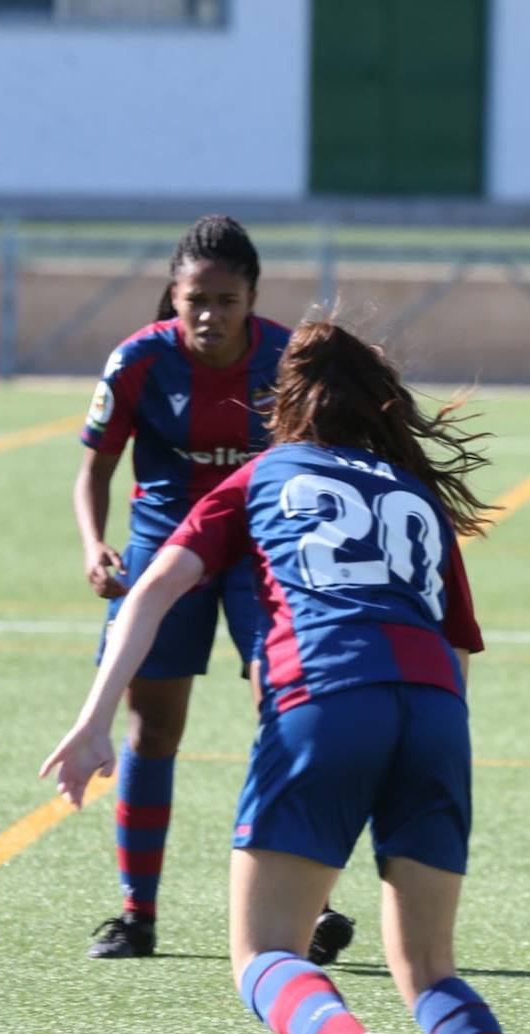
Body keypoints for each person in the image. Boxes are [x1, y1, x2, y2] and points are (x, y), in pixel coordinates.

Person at [43, 319, 530, 1034]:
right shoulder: (414, 494)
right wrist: (434, 752)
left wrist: (94, 722)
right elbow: (459, 646)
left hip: (325, 696)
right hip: (436, 713)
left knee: (263, 954)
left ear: (283, 402)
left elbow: (154, 588)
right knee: (431, 965)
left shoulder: (257, 477)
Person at [74, 214, 354, 964]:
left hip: (261, 552)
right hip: (166, 551)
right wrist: (93, 543)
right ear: (174, 294)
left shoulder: (289, 357)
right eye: (196, 298)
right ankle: (138, 914)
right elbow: (94, 467)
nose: (209, 314)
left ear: (251, 299)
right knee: (154, 728)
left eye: (226, 300)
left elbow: (325, 456)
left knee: (289, 712)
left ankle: (314, 907)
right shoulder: (137, 360)